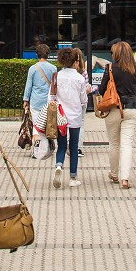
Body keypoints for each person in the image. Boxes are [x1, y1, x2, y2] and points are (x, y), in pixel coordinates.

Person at [99, 41, 136, 189]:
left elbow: (101, 89)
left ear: (116, 54)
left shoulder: (110, 68)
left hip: (113, 109)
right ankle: (125, 179)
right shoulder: (134, 68)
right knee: (127, 145)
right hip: (131, 110)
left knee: (114, 143)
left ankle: (114, 173)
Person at [51, 47, 91, 187]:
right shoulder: (79, 78)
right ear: (75, 62)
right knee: (73, 147)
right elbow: (83, 100)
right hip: (75, 116)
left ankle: (58, 166)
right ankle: (73, 178)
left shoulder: (57, 76)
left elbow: (51, 96)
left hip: (61, 116)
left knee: (61, 146)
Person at [22, 44, 57, 156]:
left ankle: (36, 151)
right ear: (48, 54)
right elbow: (55, 86)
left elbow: (28, 86)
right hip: (49, 102)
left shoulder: (33, 69)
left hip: (36, 101)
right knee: (47, 125)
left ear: (37, 54)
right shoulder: (53, 68)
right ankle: (47, 147)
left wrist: (25, 100)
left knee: (37, 125)